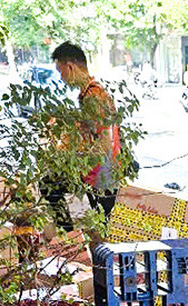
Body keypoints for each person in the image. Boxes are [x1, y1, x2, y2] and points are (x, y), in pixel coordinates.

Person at [50, 41, 120, 228]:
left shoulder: (94, 96)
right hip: (100, 175)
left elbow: (104, 142)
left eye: (60, 71)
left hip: (101, 177)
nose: (61, 77)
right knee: (96, 231)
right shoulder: (89, 94)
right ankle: (67, 232)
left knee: (50, 185)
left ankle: (66, 232)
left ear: (70, 67)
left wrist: (75, 161)